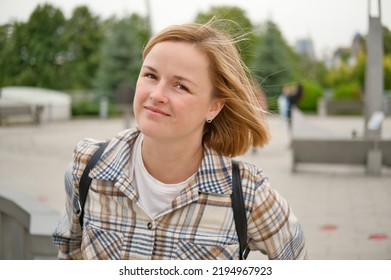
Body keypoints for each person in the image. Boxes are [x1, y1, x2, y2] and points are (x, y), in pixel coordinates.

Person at [52, 22, 307, 260]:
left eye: (181, 86)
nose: (157, 94)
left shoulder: (248, 193)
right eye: (151, 75)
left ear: (214, 107)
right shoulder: (86, 167)